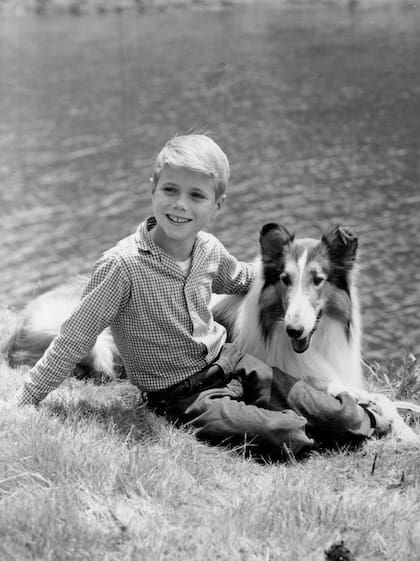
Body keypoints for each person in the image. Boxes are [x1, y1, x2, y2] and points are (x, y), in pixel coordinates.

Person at [11, 133, 390, 459]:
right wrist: (27, 397)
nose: (181, 204)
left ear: (217, 205)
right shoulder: (122, 266)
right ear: (152, 189)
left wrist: (292, 280)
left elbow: (245, 278)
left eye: (196, 195)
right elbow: (75, 334)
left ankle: (369, 421)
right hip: (183, 396)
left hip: (231, 362)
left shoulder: (208, 249)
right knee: (285, 433)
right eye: (170, 190)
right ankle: (312, 433)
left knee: (331, 411)